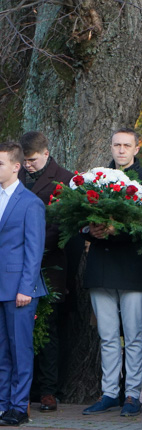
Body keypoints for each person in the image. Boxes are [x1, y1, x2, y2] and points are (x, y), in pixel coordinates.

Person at [82, 128, 142, 417]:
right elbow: (76, 216)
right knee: (106, 336)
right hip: (101, 268)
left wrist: (119, 231)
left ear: (137, 149)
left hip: (132, 268)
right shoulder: (95, 180)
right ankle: (109, 393)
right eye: (116, 144)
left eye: (127, 145)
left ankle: (132, 394)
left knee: (132, 336)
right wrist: (88, 229)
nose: (121, 150)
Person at [17, 131, 73, 413]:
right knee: (21, 330)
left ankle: (49, 389)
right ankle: (23, 389)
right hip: (18, 265)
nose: (28, 166)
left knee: (48, 329)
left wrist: (30, 248)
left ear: (46, 154)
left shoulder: (63, 179)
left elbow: (60, 225)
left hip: (49, 262)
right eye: (24, 161)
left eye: (33, 160)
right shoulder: (16, 179)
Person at [0, 141, 47, 426]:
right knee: (1, 351)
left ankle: (19, 407)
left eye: (0, 163)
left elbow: (34, 249)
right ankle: (3, 403)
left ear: (16, 167)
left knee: (20, 350)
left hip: (19, 289)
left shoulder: (31, 203)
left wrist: (25, 289)